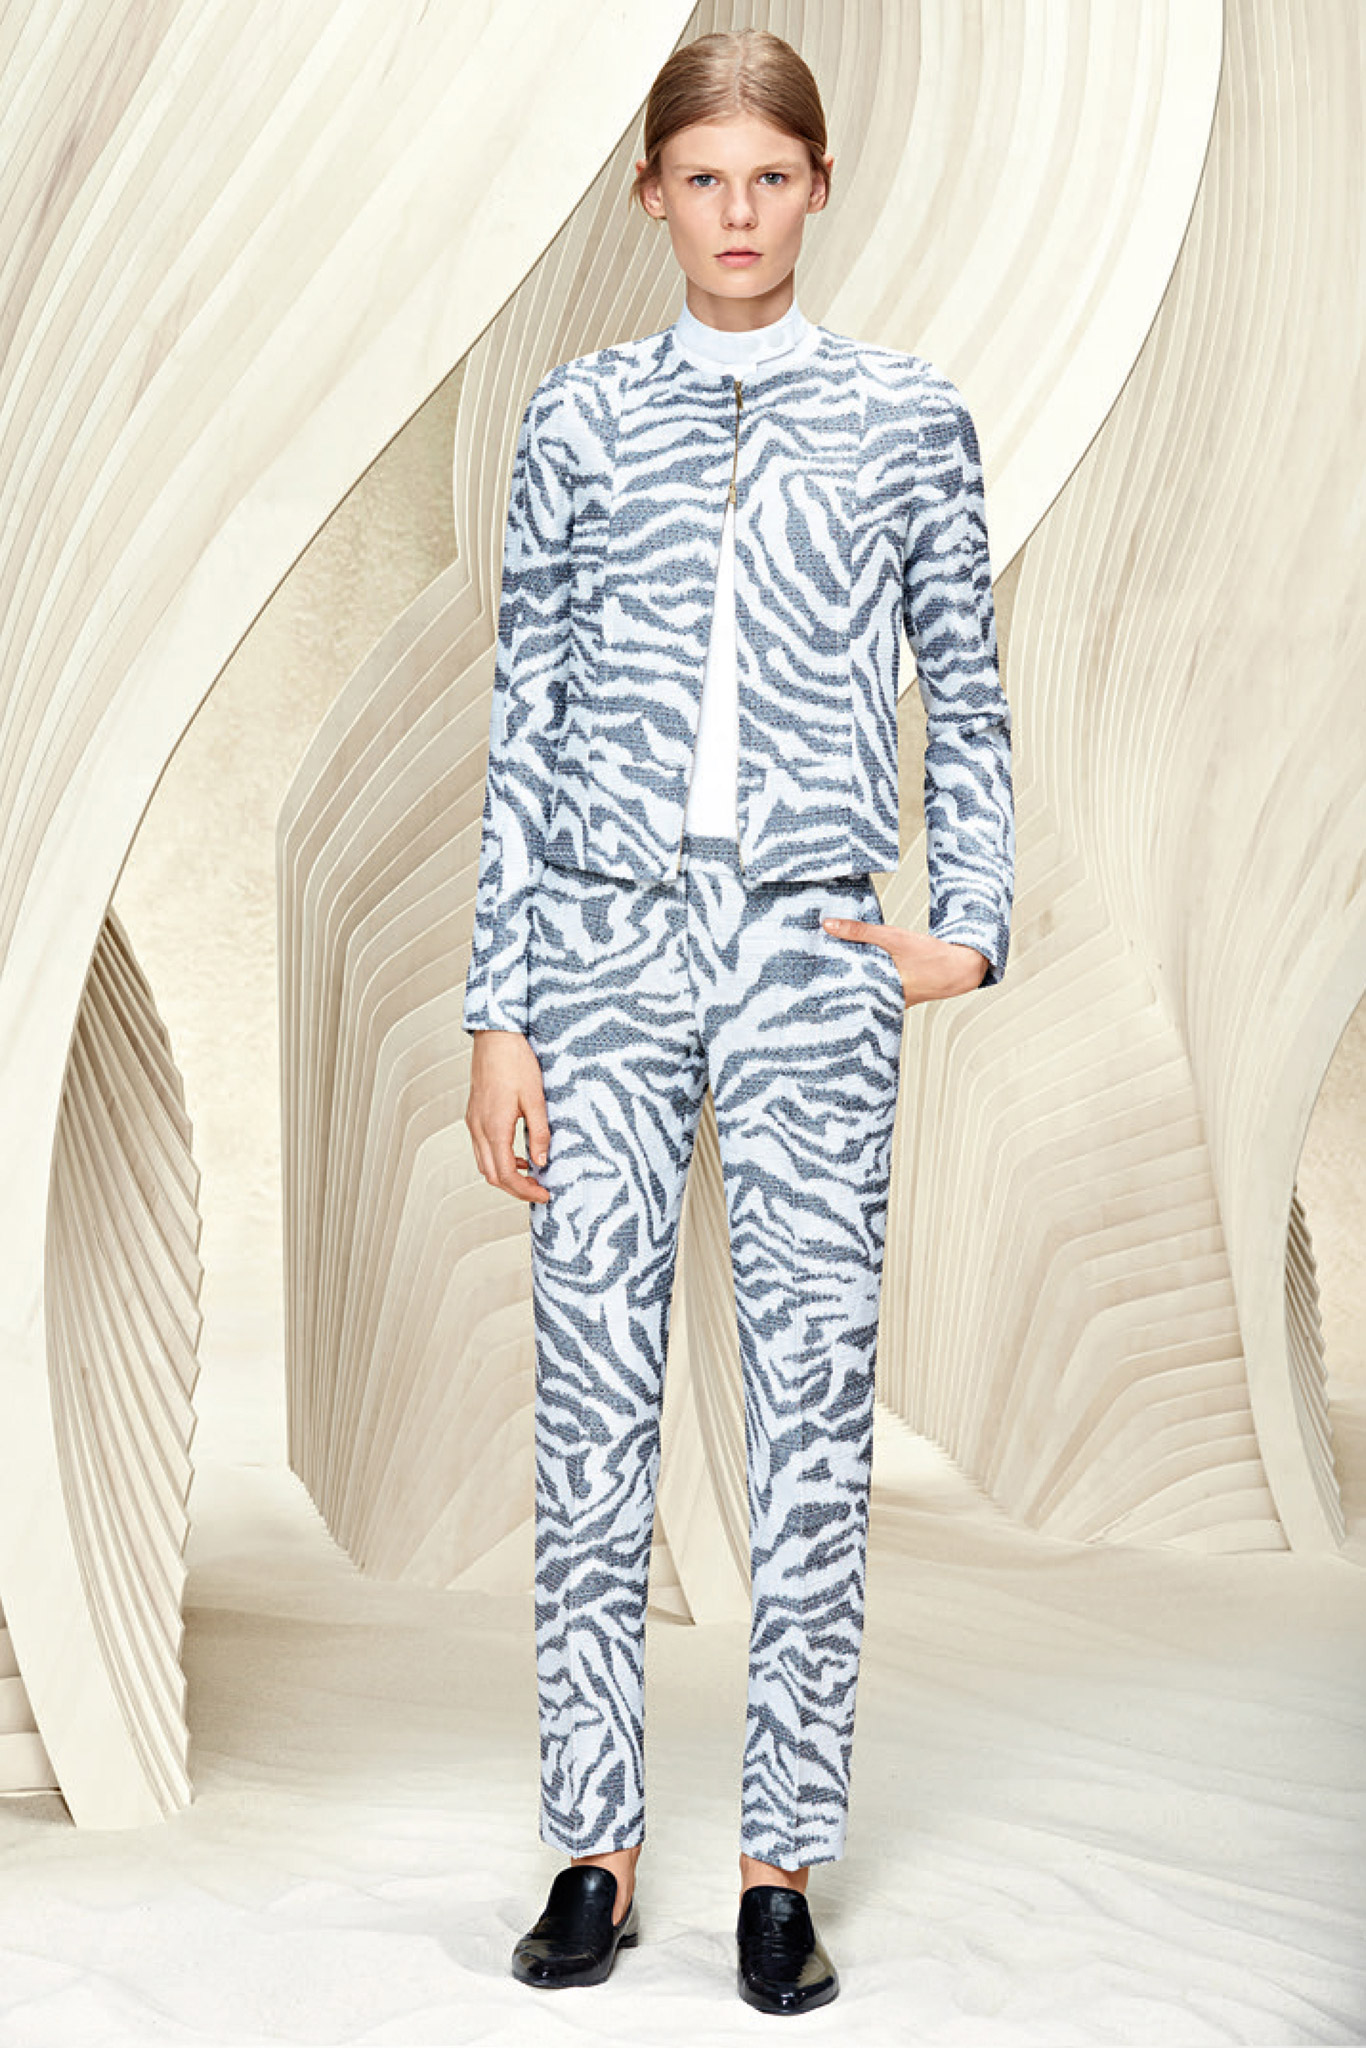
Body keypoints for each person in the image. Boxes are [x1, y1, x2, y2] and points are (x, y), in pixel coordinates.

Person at [461, 26, 1014, 2017]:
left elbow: (966, 680)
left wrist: (971, 928)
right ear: (652, 197)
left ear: (816, 187)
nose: (737, 213)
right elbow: (523, 720)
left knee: (806, 1412)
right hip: (600, 953)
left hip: (808, 953)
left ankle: (781, 1864)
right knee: (589, 1409)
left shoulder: (904, 418)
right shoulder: (577, 423)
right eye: (702, 179)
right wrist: (499, 1007)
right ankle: (591, 1849)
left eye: (769, 177)